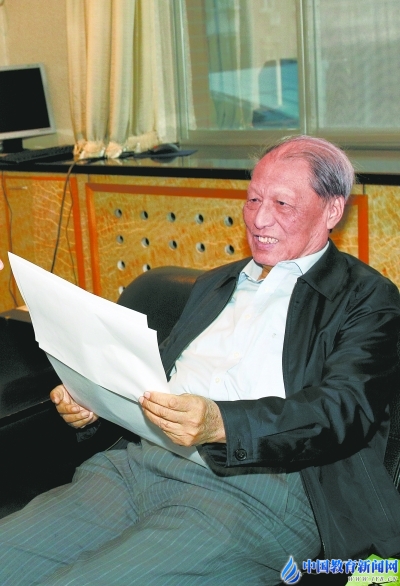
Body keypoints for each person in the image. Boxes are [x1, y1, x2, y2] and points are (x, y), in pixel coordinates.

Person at [0, 135, 399, 585]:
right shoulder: (218, 284)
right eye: (253, 199)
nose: (259, 218)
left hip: (253, 493)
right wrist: (91, 399)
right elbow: (152, 377)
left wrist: (220, 424)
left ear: (332, 210)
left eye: (282, 204)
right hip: (135, 466)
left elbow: (342, 411)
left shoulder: (365, 298)